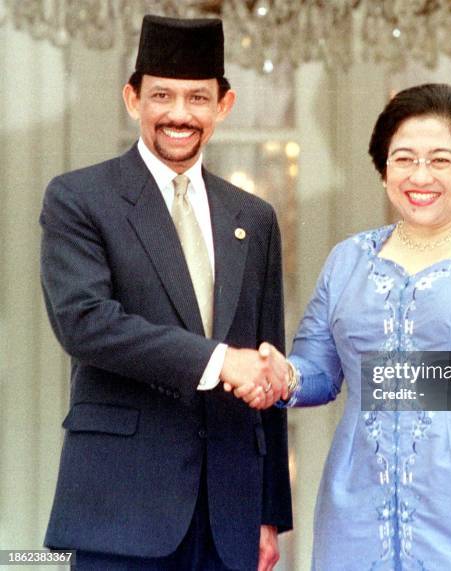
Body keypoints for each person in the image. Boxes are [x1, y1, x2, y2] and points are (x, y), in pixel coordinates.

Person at [268, 84, 451, 570]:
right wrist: (280, 376)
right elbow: (320, 371)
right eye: (404, 158)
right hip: (360, 508)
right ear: (384, 168)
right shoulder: (348, 260)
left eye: (440, 160)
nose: (420, 175)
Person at [40, 15, 291, 570]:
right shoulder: (80, 199)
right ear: (132, 99)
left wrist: (268, 511)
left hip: (230, 517)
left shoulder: (252, 217)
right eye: (162, 96)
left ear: (224, 105)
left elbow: (264, 361)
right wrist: (221, 361)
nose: (180, 114)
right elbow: (84, 322)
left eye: (198, 97)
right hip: (121, 509)